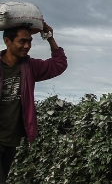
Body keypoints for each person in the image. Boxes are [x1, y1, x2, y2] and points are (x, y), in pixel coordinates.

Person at [0, 22, 67, 183]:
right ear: (7, 41)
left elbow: (58, 65)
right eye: (22, 41)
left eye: (29, 41)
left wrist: (50, 38)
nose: (27, 45)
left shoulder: (30, 67)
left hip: (11, 141)